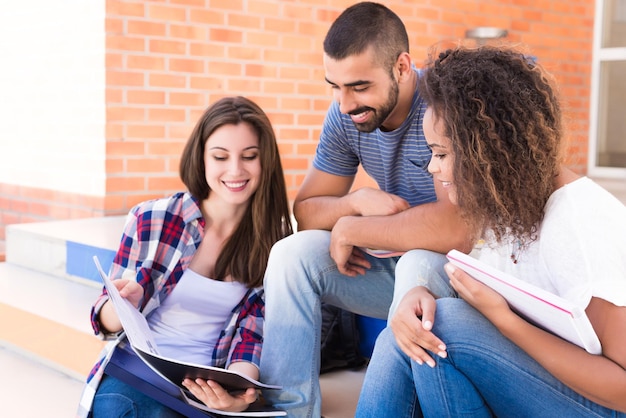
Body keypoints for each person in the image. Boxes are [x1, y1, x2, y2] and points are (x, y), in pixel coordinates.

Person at [355, 45, 626, 417]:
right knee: (413, 334)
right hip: (544, 382)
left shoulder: (578, 224)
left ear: (486, 151)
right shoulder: (507, 207)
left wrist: (504, 320)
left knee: (443, 326)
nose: (432, 168)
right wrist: (414, 295)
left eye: (442, 153)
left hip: (603, 405)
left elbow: (623, 388)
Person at [259, 3, 471, 417]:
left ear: (402, 67)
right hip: (392, 264)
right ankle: (289, 411)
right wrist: (353, 205)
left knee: (415, 265)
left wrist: (355, 230)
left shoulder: (444, 106)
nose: (344, 103)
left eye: (358, 86)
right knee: (290, 254)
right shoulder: (346, 116)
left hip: (458, 273)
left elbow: (457, 226)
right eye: (334, 86)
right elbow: (306, 211)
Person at [76, 96, 293, 418]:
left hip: (206, 391)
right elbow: (102, 321)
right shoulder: (153, 219)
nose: (235, 170)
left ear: (266, 162)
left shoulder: (275, 244)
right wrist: (124, 305)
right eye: (220, 156)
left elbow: (253, 335)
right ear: (202, 158)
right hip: (137, 376)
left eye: (249, 156)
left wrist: (239, 395)